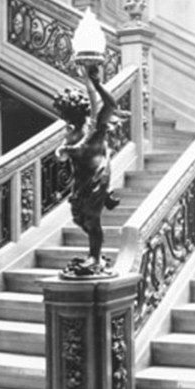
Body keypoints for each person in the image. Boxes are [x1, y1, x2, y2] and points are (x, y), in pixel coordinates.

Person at [53, 62, 119, 276]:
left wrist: (97, 85)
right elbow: (64, 152)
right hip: (80, 179)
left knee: (92, 219)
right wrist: (63, 151)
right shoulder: (72, 133)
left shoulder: (95, 126)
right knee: (79, 218)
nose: (65, 117)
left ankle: (95, 257)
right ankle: (94, 254)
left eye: (67, 112)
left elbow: (111, 104)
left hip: (96, 177)